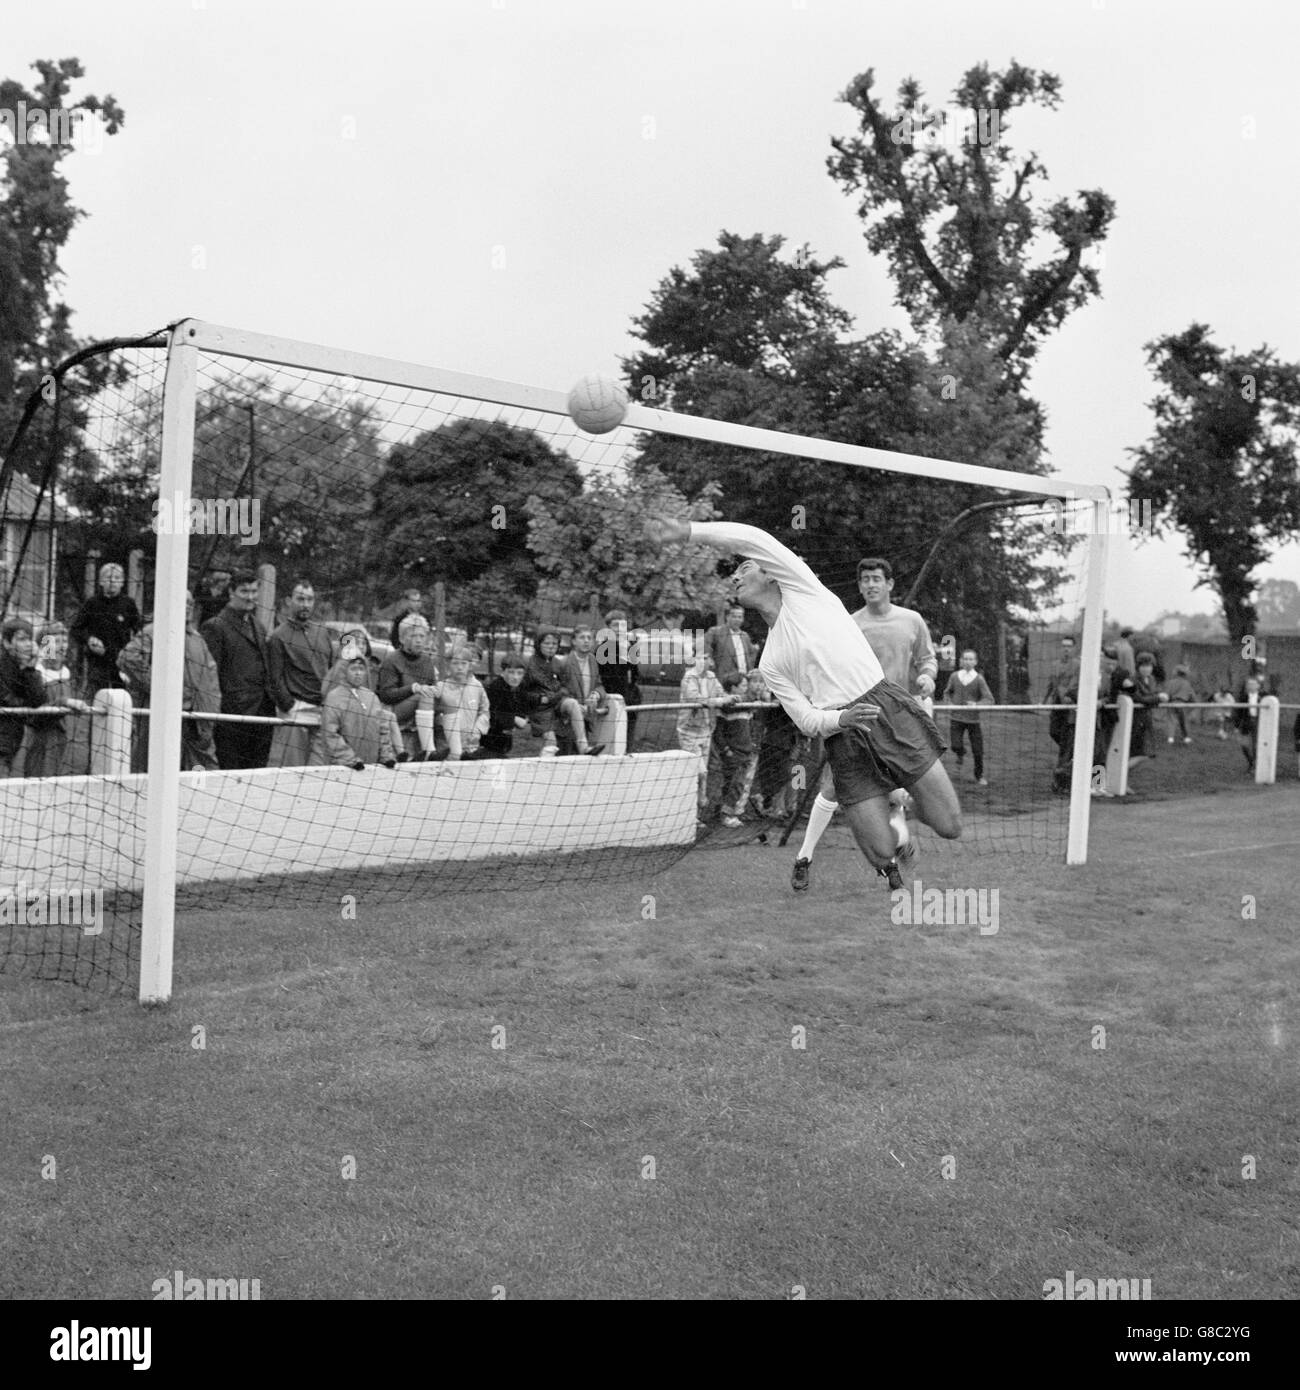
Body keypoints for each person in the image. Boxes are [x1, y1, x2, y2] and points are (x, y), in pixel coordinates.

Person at [647, 517, 961, 891]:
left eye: (744, 568)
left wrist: (687, 531)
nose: (734, 577)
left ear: (772, 574)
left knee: (949, 826)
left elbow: (753, 536)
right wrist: (841, 719)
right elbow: (807, 719)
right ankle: (890, 822)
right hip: (844, 733)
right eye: (734, 574)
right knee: (881, 854)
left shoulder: (804, 588)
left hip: (885, 708)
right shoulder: (771, 659)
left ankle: (902, 807)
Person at [789, 555, 939, 892]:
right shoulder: (848, 622)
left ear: (889, 584)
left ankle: (894, 854)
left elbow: (927, 659)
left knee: (892, 793)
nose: (870, 585)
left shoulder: (912, 621)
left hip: (897, 718)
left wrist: (928, 676)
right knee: (833, 787)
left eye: (876, 579)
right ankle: (804, 857)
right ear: (859, 587)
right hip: (855, 716)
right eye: (864, 580)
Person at [118, 592, 222, 771]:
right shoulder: (154, 631)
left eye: (190, 603)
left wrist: (210, 711)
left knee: (202, 772)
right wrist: (163, 690)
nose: (187, 606)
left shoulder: (197, 639)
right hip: (160, 716)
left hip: (195, 721)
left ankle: (198, 798)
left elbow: (210, 679)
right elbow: (128, 659)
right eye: (182, 602)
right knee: (152, 765)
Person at [201, 569, 276, 769]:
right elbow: (209, 678)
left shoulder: (258, 625)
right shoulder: (215, 626)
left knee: (258, 777)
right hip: (231, 719)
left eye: (254, 591)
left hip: (261, 716)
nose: (250, 597)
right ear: (232, 592)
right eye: (244, 591)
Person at [265, 579, 336, 768]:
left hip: (323, 712)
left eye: (310, 600)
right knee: (293, 770)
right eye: (301, 599)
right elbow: (274, 678)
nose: (305, 604)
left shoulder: (322, 633)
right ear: (290, 601)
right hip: (297, 713)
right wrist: (289, 706)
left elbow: (330, 670)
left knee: (320, 771)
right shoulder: (278, 636)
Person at [23, 623, 90, 778]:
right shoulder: (36, 674)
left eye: (64, 641)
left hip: (62, 738)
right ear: (45, 646)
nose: (62, 647)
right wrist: (64, 702)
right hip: (41, 739)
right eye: (56, 642)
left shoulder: (65, 673)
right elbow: (38, 715)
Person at [522, 630, 602, 756]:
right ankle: (544, 767)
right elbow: (522, 692)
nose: (551, 646)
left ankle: (584, 747)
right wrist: (539, 699)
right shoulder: (529, 664)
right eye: (547, 643)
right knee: (552, 743)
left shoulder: (558, 663)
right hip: (540, 709)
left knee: (572, 703)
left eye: (554, 643)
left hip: (557, 703)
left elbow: (565, 687)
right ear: (538, 644)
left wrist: (558, 695)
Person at [69, 562, 142, 698]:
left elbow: (140, 632)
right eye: (108, 577)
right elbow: (76, 630)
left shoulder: (128, 604)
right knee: (98, 700)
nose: (112, 581)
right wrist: (89, 640)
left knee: (121, 702)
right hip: (97, 663)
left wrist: (131, 651)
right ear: (101, 581)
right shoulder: (92, 603)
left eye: (117, 578)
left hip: (121, 662)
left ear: (122, 582)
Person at [314, 657, 402, 769]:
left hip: (371, 766)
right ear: (343, 671)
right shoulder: (334, 697)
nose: (358, 673)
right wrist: (350, 759)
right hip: (343, 768)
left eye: (361, 669)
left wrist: (386, 756)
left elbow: (383, 729)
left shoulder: (372, 697)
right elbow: (330, 733)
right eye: (353, 669)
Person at [676, 644, 731, 823]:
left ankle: (697, 814)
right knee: (698, 772)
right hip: (689, 731)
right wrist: (720, 701)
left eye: (707, 658)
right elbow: (695, 699)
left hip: (707, 729)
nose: (705, 661)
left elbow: (722, 694)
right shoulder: (689, 677)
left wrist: (729, 698)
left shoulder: (712, 676)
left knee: (704, 774)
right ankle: (692, 809)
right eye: (701, 657)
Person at [377, 613, 441, 761]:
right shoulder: (391, 660)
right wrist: (412, 688)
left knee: (449, 700)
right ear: (402, 638)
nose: (418, 640)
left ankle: (455, 752)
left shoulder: (427, 661)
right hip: (394, 710)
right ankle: (429, 751)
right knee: (423, 695)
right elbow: (386, 695)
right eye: (413, 636)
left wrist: (438, 691)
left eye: (422, 636)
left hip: (423, 708)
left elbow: (431, 687)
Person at [0, 618, 49, 778]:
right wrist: (26, 707)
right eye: (22, 639)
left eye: (30, 639)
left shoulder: (24, 668)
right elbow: (7, 700)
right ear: (7, 643)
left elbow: (39, 700)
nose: (28, 644)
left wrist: (30, 670)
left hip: (13, 740)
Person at [425, 645, 491, 759]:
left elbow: (485, 711)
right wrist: (441, 721)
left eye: (463, 663)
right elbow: (432, 714)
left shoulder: (477, 686)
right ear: (448, 665)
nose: (460, 667)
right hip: (446, 748)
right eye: (455, 663)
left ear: (469, 665)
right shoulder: (441, 687)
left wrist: (478, 729)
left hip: (471, 747)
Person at [711, 669, 758, 827]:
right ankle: (726, 814)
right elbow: (718, 732)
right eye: (743, 685)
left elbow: (750, 726)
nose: (746, 688)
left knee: (737, 784)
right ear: (733, 688)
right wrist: (726, 750)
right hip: (733, 752)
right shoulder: (726, 707)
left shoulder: (746, 705)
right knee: (734, 783)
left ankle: (723, 811)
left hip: (746, 750)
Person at [942, 649, 995, 785]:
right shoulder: (954, 676)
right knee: (955, 745)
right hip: (956, 718)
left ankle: (979, 776)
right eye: (965, 659)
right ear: (961, 661)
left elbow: (989, 699)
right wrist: (949, 704)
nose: (968, 661)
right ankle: (960, 753)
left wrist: (976, 704)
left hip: (973, 720)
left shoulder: (979, 679)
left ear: (975, 662)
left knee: (978, 751)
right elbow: (947, 693)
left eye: (971, 659)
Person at [556, 625, 608, 755]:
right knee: (565, 761)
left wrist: (595, 695)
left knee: (582, 762)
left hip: (586, 720)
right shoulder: (564, 663)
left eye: (589, 638)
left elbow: (599, 685)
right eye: (582, 637)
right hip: (566, 722)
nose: (586, 641)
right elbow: (556, 691)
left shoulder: (593, 661)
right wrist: (576, 705)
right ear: (573, 641)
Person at [596, 610, 641, 748]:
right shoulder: (603, 648)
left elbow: (634, 674)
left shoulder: (629, 646)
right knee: (612, 742)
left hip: (630, 700)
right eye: (616, 625)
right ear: (608, 627)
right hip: (611, 700)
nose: (620, 629)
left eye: (623, 625)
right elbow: (607, 677)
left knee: (628, 740)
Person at [1044, 634, 1081, 793]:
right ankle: (1072, 762)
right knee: (1056, 735)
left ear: (1074, 648)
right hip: (1058, 708)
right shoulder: (1055, 665)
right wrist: (1046, 700)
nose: (1066, 649)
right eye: (1064, 646)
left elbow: (1073, 686)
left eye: (1069, 646)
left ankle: (1095, 785)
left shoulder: (1078, 665)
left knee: (1096, 755)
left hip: (1070, 709)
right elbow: (1052, 684)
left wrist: (1067, 696)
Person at [481, 654, 533, 758]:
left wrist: (520, 718)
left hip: (504, 741)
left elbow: (522, 710)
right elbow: (491, 714)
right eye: (511, 672)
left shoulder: (519, 688)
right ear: (502, 672)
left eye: (519, 673)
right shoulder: (495, 688)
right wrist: (514, 719)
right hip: (487, 741)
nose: (515, 677)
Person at [321, 628, 383, 699]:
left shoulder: (369, 667)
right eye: (356, 643)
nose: (361, 646)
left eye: (364, 643)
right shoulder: (341, 666)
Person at [705, 603, 757, 682]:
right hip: (724, 681)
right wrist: (709, 659)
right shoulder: (715, 632)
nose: (737, 619)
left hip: (744, 682)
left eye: (740, 617)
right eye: (734, 616)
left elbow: (750, 657)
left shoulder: (745, 636)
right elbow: (703, 646)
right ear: (727, 617)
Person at [1164, 664, 1196, 744]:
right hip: (1183, 704)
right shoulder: (1187, 683)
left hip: (1172, 703)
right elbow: (1192, 696)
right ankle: (1186, 737)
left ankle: (1170, 738)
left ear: (1176, 673)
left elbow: (1166, 694)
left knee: (1171, 720)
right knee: (1184, 721)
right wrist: (1192, 704)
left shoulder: (1170, 683)